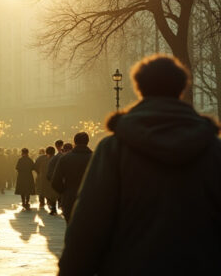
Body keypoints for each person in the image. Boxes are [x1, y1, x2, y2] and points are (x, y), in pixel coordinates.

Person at [59, 55, 221, 274]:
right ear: (182, 88)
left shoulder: (114, 148)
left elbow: (89, 223)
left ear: (139, 88)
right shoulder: (212, 148)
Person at [51, 132, 92, 222]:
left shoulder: (65, 159)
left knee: (71, 226)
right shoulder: (95, 158)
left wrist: (65, 191)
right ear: (87, 141)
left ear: (74, 142)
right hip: (90, 199)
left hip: (70, 198)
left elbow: (55, 181)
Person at [45, 140, 65, 215]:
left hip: (56, 178)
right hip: (64, 178)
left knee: (54, 194)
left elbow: (50, 170)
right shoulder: (62, 156)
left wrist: (50, 178)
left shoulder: (56, 158)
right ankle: (61, 207)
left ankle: (54, 209)